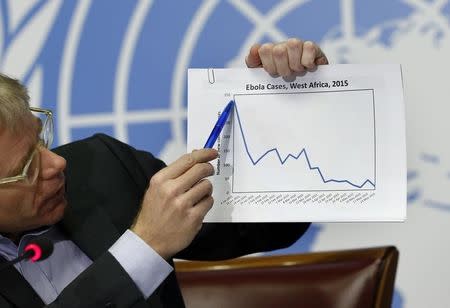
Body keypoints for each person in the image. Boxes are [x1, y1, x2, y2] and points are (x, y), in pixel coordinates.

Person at [0, 39, 328, 307]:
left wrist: (293, 105)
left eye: (41, 139)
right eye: (26, 168)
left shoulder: (102, 165)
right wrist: (144, 247)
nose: (57, 164)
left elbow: (254, 227)